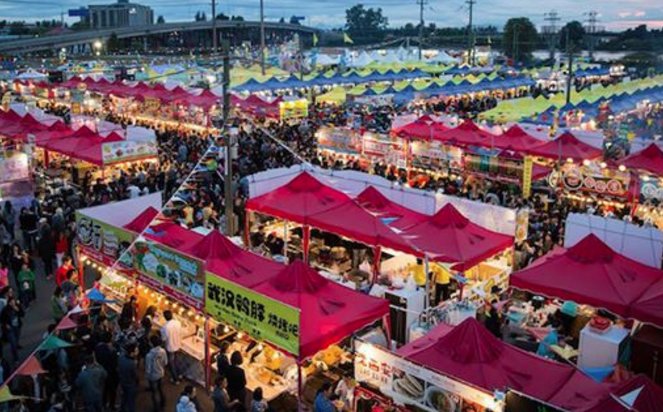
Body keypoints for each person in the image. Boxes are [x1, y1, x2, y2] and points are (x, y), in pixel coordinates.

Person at [94, 331, 118, 411]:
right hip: (111, 372)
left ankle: (103, 405)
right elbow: (115, 363)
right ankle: (112, 405)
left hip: (101, 371)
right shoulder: (112, 350)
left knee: (104, 390)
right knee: (112, 390)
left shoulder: (97, 347)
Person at [145, 335, 168, 412]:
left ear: (151, 344)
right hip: (161, 373)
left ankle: (156, 408)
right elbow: (165, 362)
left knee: (154, 392)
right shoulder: (163, 351)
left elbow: (148, 368)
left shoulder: (149, 355)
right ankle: (163, 403)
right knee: (161, 388)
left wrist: (147, 376)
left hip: (152, 376)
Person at [160, 310, 183, 383]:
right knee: (177, 361)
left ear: (164, 317)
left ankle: (175, 379)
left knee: (172, 363)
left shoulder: (164, 327)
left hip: (170, 347)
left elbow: (164, 339)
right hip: (178, 344)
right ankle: (179, 374)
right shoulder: (178, 323)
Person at [1, 296, 24, 362]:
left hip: (17, 327)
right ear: (9, 302)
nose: (13, 303)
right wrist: (5, 324)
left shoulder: (17, 307)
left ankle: (16, 345)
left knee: (16, 339)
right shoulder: (5, 310)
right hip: (10, 329)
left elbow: (22, 314)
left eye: (13, 301)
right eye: (11, 302)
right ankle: (16, 359)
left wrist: (18, 310)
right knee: (13, 343)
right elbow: (2, 319)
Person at [118, 343, 139, 412]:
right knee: (131, 401)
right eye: (136, 350)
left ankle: (122, 409)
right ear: (132, 353)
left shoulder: (121, 357)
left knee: (124, 398)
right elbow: (135, 375)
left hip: (122, 381)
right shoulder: (132, 363)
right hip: (130, 384)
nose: (137, 351)